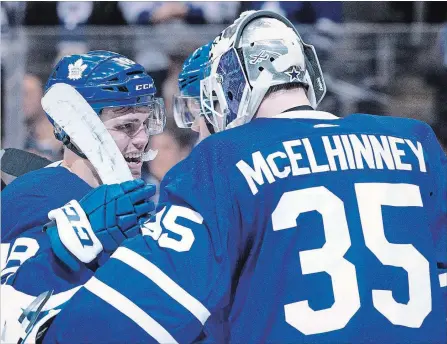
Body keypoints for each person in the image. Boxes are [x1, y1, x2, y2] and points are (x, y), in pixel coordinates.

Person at [13, 11, 447, 343]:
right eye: (128, 124)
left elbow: (133, 316)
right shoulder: (415, 142)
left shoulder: (224, 159)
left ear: (231, 87)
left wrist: (42, 330)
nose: (199, 130)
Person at [1, 51, 165, 342]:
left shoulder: (136, 197)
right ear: (78, 126)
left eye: (146, 123)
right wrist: (71, 247)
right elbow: (10, 316)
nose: (141, 139)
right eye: (126, 126)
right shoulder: (32, 196)